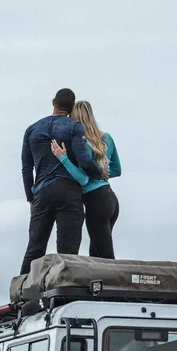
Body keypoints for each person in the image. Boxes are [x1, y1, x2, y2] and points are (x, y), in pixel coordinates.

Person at [19, 88, 103, 275]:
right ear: (72, 108)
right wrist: (98, 173)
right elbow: (84, 161)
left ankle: (21, 293)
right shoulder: (74, 127)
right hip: (68, 192)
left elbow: (26, 168)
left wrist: (30, 197)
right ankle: (64, 296)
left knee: (35, 246)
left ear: (53, 102)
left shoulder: (32, 130)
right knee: (67, 251)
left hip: (41, 193)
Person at [50, 99, 122, 259]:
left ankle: (117, 283)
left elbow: (83, 178)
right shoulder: (106, 137)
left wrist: (63, 159)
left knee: (106, 258)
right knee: (96, 257)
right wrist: (103, 173)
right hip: (110, 198)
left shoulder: (82, 145)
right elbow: (117, 170)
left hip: (95, 201)